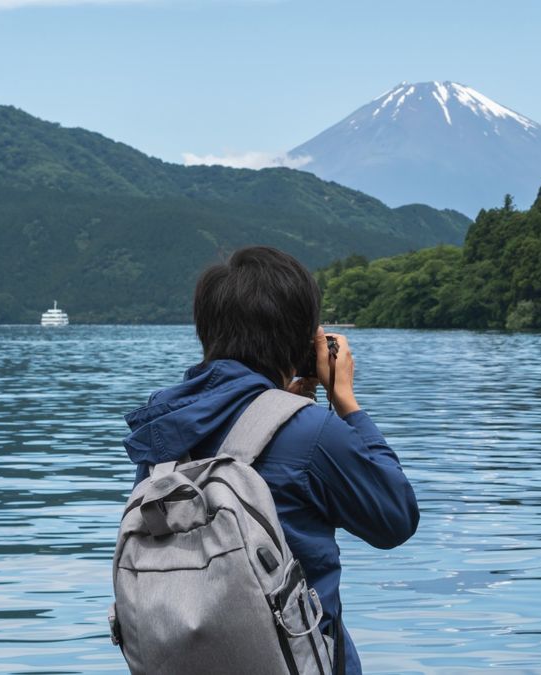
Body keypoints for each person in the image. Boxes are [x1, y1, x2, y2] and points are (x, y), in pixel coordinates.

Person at [121, 245, 419, 674]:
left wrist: (277, 405)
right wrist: (347, 404)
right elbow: (395, 519)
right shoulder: (313, 432)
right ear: (300, 340)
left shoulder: (165, 429)